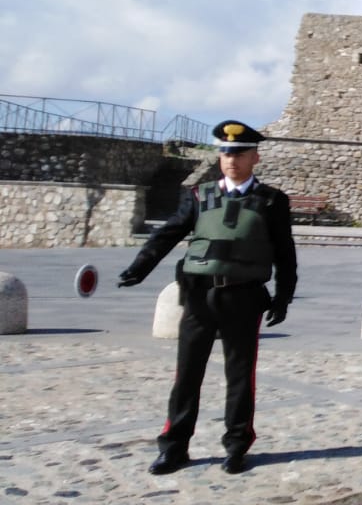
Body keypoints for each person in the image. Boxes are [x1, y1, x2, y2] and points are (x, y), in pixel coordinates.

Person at [118, 120, 297, 476]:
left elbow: (284, 253)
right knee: (187, 375)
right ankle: (174, 447)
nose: (231, 159)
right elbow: (168, 234)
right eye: (225, 152)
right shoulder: (200, 196)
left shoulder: (271, 201)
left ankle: (235, 446)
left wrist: (283, 296)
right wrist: (140, 266)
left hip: (244, 298)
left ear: (254, 158)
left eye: (239, 153)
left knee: (240, 376)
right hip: (199, 297)